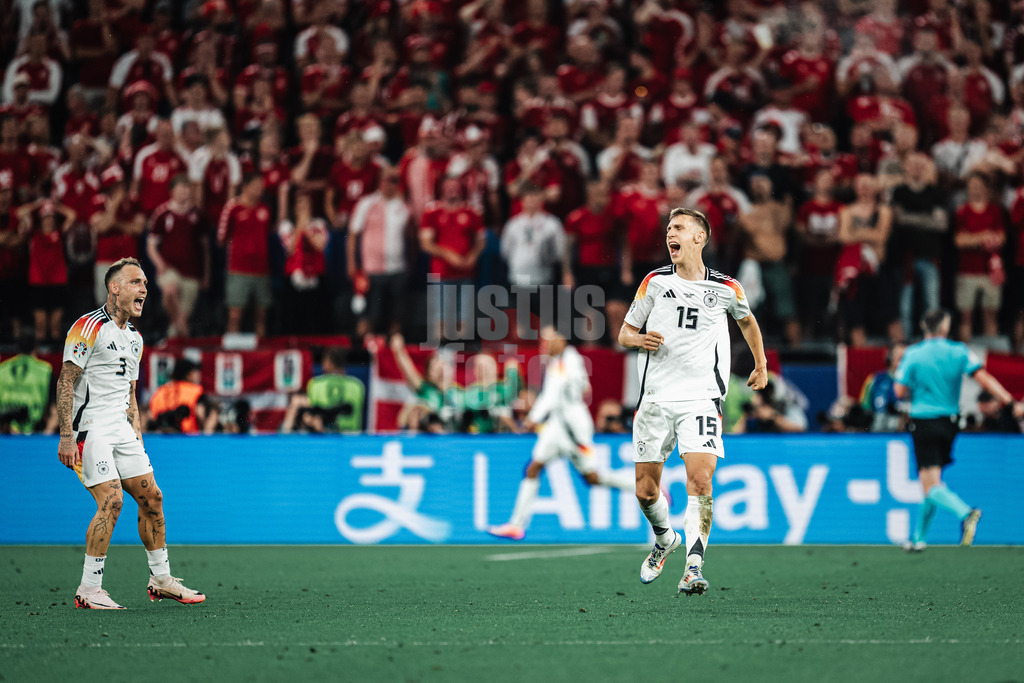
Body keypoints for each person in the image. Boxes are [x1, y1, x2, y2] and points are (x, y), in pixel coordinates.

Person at [618, 207, 768, 595]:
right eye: (669, 228)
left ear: (700, 238)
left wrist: (761, 363)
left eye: (680, 228)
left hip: (701, 399)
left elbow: (747, 321)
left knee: (700, 481)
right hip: (654, 400)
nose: (672, 233)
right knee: (645, 491)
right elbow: (625, 332)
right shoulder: (653, 282)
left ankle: (693, 568)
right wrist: (639, 340)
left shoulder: (727, 288)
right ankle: (665, 539)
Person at [55, 257, 204, 609]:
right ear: (114, 288)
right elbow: (66, 379)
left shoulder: (135, 338)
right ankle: (89, 589)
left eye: (146, 284)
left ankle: (161, 579)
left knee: (153, 498)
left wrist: (137, 436)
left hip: (122, 430)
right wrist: (65, 435)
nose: (144, 289)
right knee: (112, 500)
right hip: (90, 430)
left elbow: (130, 395)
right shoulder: (87, 327)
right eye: (136, 282)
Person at [487, 326, 637, 540]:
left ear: (560, 340)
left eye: (546, 341)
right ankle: (516, 525)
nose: (543, 346)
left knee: (593, 478)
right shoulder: (563, 361)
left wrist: (532, 419)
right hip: (558, 424)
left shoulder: (565, 362)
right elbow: (582, 388)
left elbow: (552, 395)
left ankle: (646, 488)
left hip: (572, 429)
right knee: (533, 468)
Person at [894, 309, 1024, 552]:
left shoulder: (913, 354)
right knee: (933, 483)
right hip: (950, 423)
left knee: (931, 486)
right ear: (945, 327)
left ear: (924, 327)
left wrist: (918, 384)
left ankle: (966, 513)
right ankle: (918, 538)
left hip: (924, 420)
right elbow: (982, 378)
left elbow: (899, 392)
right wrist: (1008, 401)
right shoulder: (959, 351)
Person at [280, 348, 365, 433]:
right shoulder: (358, 385)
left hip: (324, 437)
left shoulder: (315, 384)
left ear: (328, 362)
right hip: (354, 438)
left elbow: (311, 415)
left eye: (323, 361)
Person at [0, 333, 54, 434]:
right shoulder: (45, 370)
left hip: (5, 434)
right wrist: (47, 435)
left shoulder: (2, 369)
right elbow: (55, 409)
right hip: (36, 434)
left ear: (16, 347)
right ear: (36, 348)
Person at [147, 359, 218, 434]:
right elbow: (201, 414)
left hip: (160, 437)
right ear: (188, 375)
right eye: (195, 372)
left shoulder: (160, 391)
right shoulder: (195, 391)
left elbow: (151, 415)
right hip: (188, 438)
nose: (198, 374)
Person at [859, 342, 907, 433]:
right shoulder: (874, 380)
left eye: (905, 358)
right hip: (879, 432)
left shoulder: (915, 382)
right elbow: (865, 410)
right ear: (889, 358)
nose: (902, 361)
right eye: (899, 357)